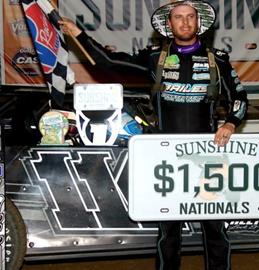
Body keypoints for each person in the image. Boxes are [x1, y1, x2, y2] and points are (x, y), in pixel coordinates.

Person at [59, 1, 248, 269]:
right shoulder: (153, 58)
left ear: (199, 22)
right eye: (178, 18)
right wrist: (79, 34)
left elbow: (239, 97)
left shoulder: (216, 60)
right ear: (168, 25)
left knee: (215, 229)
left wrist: (230, 123)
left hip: (210, 158)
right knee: (168, 232)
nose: (184, 22)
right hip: (166, 158)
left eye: (190, 17)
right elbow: (109, 62)